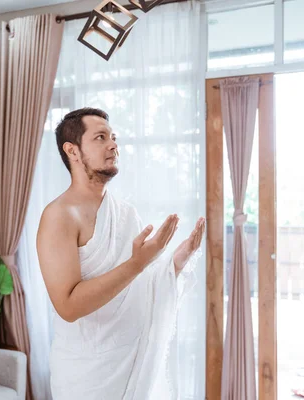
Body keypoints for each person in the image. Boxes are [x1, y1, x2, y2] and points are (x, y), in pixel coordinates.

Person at [36, 108, 206, 399]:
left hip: (130, 362)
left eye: (113, 137)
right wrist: (138, 263)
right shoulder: (58, 215)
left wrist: (176, 260)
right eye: (101, 137)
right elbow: (68, 306)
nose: (113, 145)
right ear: (72, 151)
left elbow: (141, 283)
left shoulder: (125, 213)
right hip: (86, 375)